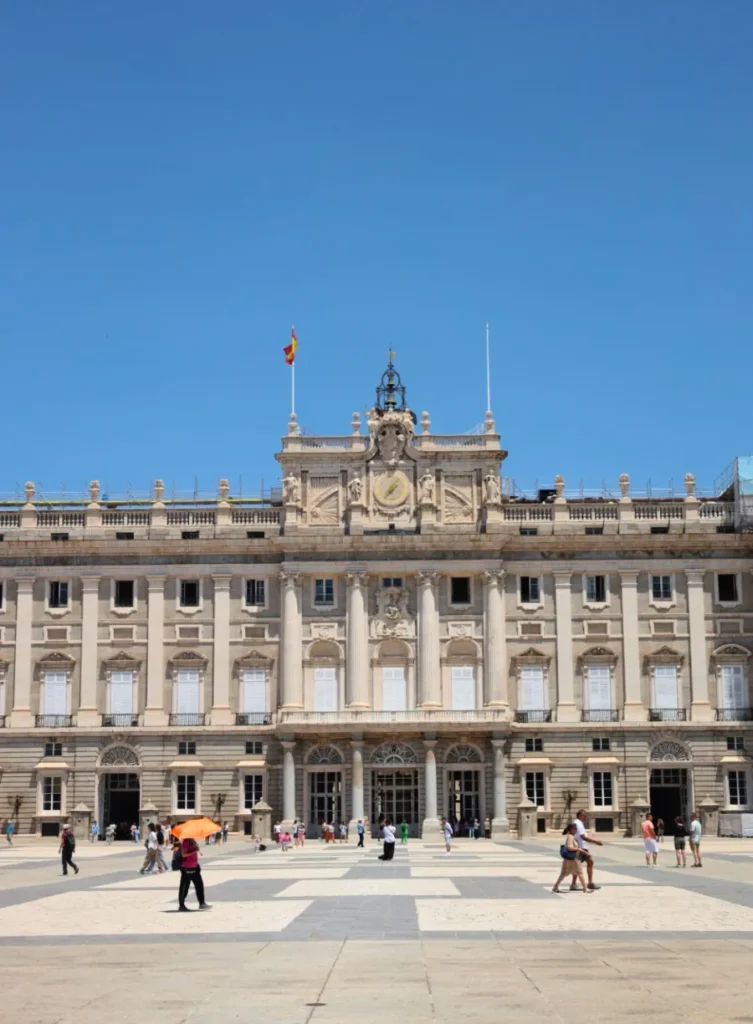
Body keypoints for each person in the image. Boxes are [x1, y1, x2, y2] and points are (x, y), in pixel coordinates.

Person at [552, 823, 592, 894]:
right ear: (571, 830)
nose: (576, 830)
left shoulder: (572, 836)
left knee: (564, 873)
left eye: (576, 828)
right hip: (573, 859)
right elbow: (569, 847)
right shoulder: (570, 837)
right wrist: (579, 849)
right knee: (579, 872)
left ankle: (555, 887)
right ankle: (585, 889)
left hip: (570, 859)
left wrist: (583, 851)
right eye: (575, 829)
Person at [570, 809, 602, 891]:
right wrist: (596, 841)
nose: (585, 817)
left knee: (583, 864)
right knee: (582, 864)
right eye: (584, 816)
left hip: (580, 847)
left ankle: (576, 884)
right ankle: (587, 884)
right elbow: (583, 837)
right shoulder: (579, 824)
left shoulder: (577, 823)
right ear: (580, 816)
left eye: (586, 815)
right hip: (581, 848)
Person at [178, 836, 211, 912]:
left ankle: (202, 903)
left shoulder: (192, 840)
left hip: (195, 867)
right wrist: (194, 851)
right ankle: (181, 905)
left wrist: (197, 850)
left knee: (199, 885)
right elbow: (183, 854)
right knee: (184, 887)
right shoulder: (186, 841)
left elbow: (194, 851)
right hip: (187, 867)